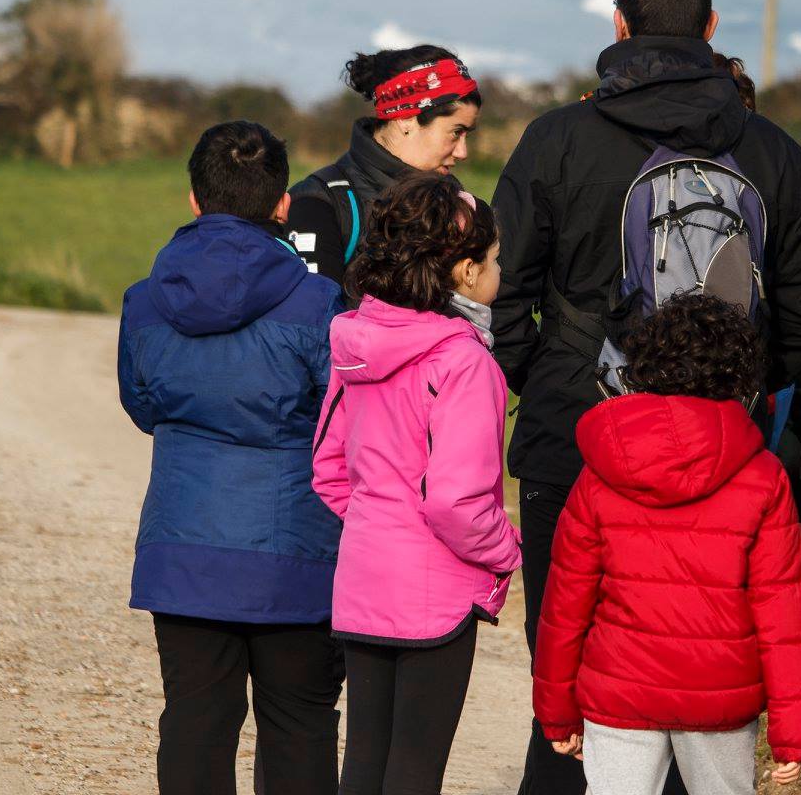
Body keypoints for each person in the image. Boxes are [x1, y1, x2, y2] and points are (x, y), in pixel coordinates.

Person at [493, 0, 801, 795]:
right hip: (729, 451)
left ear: (618, 26)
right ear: (714, 29)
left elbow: (502, 290)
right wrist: (775, 422)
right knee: (707, 685)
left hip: (578, 440)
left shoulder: (557, 140)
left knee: (569, 675)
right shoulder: (772, 151)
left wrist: (547, 379)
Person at [118, 120, 347, 795]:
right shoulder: (318, 303)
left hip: (183, 549)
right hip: (296, 554)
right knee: (300, 724)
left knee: (195, 723)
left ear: (193, 198)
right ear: (283, 205)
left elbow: (143, 408)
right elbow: (339, 424)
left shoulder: (144, 302)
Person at [532, 292, 801, 795]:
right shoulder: (762, 476)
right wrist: (795, 733)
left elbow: (566, 601)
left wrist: (557, 711)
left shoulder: (603, 467)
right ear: (739, 375)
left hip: (618, 687)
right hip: (719, 693)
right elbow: (784, 611)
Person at [312, 173, 522, 795]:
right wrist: (508, 551)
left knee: (367, 762)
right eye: (494, 259)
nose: (500, 271)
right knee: (415, 769)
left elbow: (327, 467)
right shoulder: (467, 362)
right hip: (437, 595)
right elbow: (456, 503)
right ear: (462, 271)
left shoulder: (357, 344)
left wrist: (381, 524)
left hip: (364, 576)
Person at [286, 45, 482, 281]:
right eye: (456, 132)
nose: (463, 152)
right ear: (407, 118)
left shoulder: (458, 201)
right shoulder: (318, 205)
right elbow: (311, 312)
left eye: (467, 135)